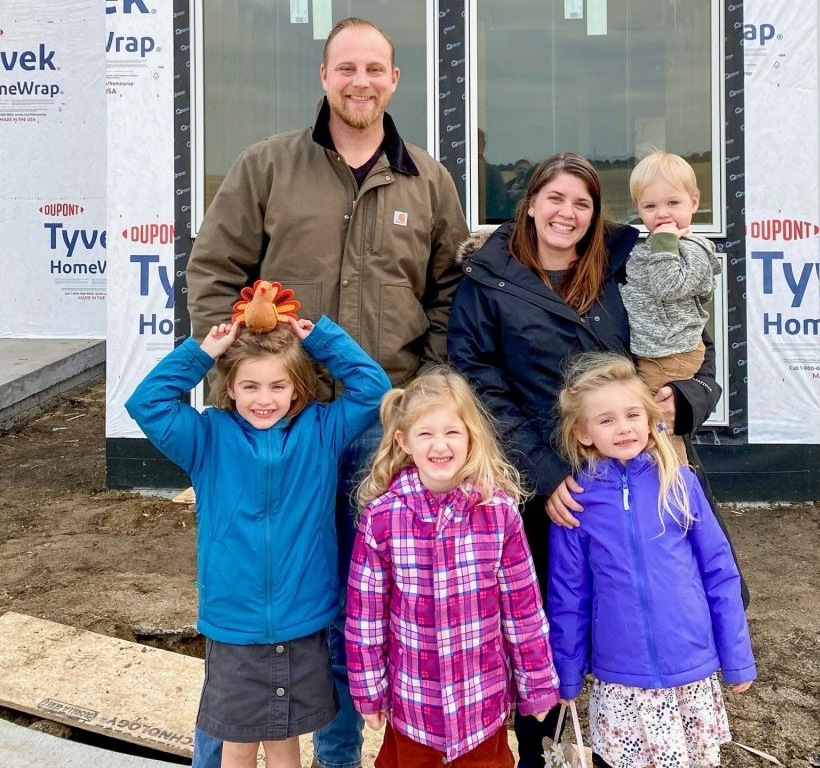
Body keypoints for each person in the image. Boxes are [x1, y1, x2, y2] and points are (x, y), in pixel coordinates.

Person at [185, 17, 469, 768]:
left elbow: (448, 295)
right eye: (346, 68)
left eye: (374, 69)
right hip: (277, 431)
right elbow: (214, 271)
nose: (360, 82)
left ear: (394, 80)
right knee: (251, 604)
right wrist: (242, 385)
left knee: (353, 609)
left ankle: (336, 758)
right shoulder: (267, 166)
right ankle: (217, 757)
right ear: (323, 75)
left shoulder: (428, 181)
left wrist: (424, 399)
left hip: (378, 430)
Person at [446, 152, 740, 767]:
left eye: (582, 203)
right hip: (544, 487)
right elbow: (477, 383)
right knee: (544, 624)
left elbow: (688, 345)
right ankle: (541, 750)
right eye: (554, 198)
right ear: (529, 203)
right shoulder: (490, 278)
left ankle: (640, 745)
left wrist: (684, 400)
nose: (567, 213)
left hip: (633, 477)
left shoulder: (626, 263)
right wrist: (547, 476)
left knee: (641, 606)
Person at [125, 309, 391, 768]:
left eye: (277, 386)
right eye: (250, 386)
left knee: (286, 739)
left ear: (298, 388)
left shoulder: (324, 431)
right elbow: (147, 403)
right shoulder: (206, 437)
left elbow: (374, 389)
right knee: (239, 742)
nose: (263, 399)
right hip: (234, 625)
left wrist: (322, 338)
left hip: (303, 619)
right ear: (229, 388)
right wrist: (205, 352)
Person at [549, 352, 755, 768]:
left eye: (631, 415)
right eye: (606, 420)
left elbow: (719, 573)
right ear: (583, 433)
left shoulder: (680, 482)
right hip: (621, 680)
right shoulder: (576, 501)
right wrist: (566, 673)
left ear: (650, 418)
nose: (623, 427)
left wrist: (737, 657)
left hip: (691, 672)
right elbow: (568, 596)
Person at [344, 368, 559, 767]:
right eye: (426, 434)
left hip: (482, 707)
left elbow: (523, 611)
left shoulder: (499, 514)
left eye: (451, 432)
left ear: (471, 438)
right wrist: (369, 690)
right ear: (403, 441)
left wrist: (537, 683)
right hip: (414, 711)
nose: (439, 445)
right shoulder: (382, 518)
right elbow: (365, 618)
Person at [620, 151, 721, 465]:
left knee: (655, 427)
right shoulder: (647, 246)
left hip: (671, 353)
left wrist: (664, 241)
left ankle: (674, 489)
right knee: (644, 425)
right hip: (648, 351)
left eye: (673, 203)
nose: (662, 214)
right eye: (650, 206)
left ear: (693, 202)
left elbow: (667, 286)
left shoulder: (695, 249)